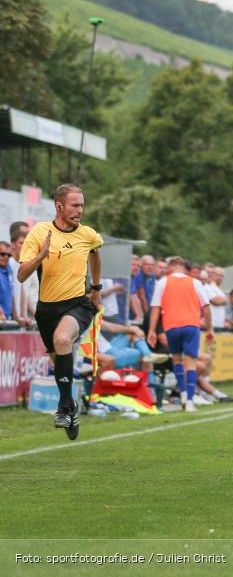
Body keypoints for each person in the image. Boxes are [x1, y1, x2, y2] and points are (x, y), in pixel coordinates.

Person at [17, 184, 104, 440]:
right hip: (47, 310)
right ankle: (72, 406)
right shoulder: (40, 233)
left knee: (63, 339)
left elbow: (95, 254)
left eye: (82, 205)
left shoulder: (88, 234)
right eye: (75, 205)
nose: (80, 210)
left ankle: (64, 407)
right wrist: (40, 256)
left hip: (78, 303)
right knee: (59, 365)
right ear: (59, 206)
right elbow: (21, 275)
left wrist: (96, 289)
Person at [147, 256, 212, 412]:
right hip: (191, 326)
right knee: (190, 363)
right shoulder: (195, 282)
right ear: (183, 267)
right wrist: (209, 329)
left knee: (177, 361)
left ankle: (183, 393)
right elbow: (206, 308)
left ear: (171, 266)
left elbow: (155, 309)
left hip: (172, 327)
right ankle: (189, 401)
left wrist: (152, 330)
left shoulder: (163, 282)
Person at [0, 241, 15, 322]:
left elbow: (11, 295)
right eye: (2, 254)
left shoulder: (9, 269)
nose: (6, 257)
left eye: (9, 255)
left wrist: (16, 316)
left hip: (6, 319)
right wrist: (1, 313)